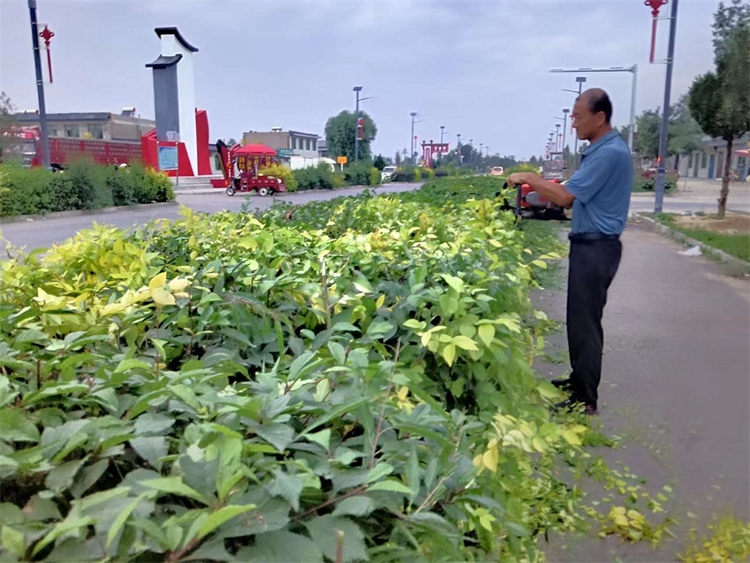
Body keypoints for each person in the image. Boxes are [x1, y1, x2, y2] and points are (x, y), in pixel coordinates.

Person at [508, 88, 632, 414]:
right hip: (590, 244)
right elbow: (573, 199)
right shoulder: (601, 150)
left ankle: (585, 400)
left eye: (578, 116)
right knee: (579, 320)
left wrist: (530, 178)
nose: (574, 123)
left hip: (596, 248)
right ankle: (579, 381)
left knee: (585, 323)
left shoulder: (608, 154)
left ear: (599, 116)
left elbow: (564, 197)